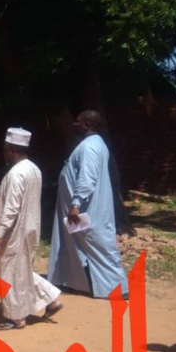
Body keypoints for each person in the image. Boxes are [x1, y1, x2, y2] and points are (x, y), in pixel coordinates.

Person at [47, 110, 128, 298]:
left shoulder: (90, 147)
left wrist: (76, 204)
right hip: (80, 210)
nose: (74, 125)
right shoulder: (92, 144)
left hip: (86, 210)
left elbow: (87, 177)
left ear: (86, 124)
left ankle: (117, 288)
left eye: (77, 122)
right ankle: (72, 281)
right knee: (71, 243)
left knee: (98, 243)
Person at [0, 128, 63, 330]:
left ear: (12, 150)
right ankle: (52, 299)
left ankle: (16, 317)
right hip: (29, 228)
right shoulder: (34, 169)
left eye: (6, 149)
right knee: (21, 270)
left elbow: (11, 208)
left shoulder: (16, 174)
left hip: (13, 232)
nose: (4, 153)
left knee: (10, 272)